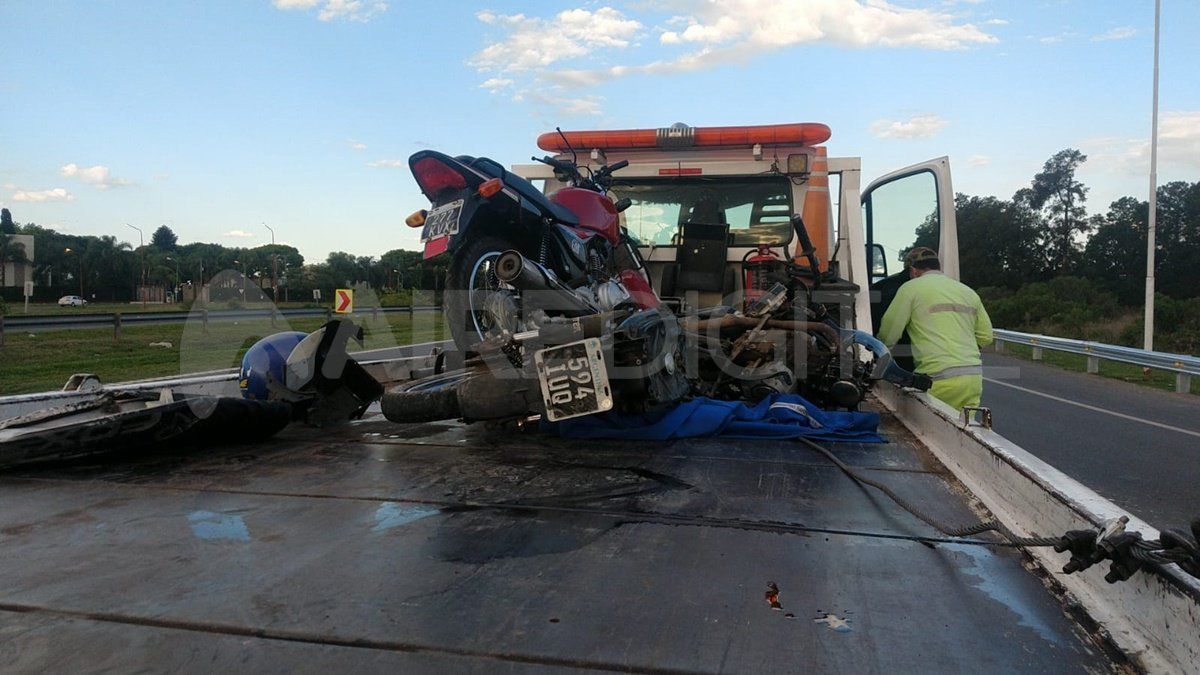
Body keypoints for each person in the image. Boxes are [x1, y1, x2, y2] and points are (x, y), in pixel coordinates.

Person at [877, 247, 994, 410]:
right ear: (938, 267)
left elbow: (890, 332)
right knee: (962, 431)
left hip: (936, 379)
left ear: (913, 270)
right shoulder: (968, 291)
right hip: (972, 378)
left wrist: (880, 354)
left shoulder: (911, 288)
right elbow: (986, 336)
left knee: (924, 428)